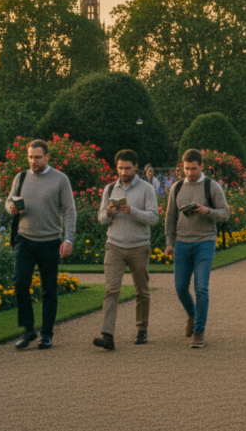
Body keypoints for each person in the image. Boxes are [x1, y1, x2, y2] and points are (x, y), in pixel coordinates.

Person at [5, 139, 77, 350]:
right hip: (24, 239)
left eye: (37, 157)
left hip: (50, 241)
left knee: (48, 290)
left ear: (47, 157)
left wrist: (68, 239)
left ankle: (47, 334)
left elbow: (69, 211)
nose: (33, 161)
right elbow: (9, 200)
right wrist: (11, 207)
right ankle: (28, 330)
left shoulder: (60, 179)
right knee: (20, 284)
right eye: (30, 157)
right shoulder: (21, 177)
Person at [93, 150, 159, 351]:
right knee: (111, 290)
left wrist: (132, 211)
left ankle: (141, 329)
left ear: (136, 167)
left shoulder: (146, 189)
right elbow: (101, 219)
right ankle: (107, 335)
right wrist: (109, 213)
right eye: (120, 168)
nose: (123, 171)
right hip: (114, 245)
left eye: (127, 168)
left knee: (141, 290)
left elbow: (153, 218)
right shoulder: (110, 188)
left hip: (139, 246)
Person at [164, 149, 230, 349]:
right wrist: (169, 242)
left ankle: (199, 331)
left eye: (193, 169)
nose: (190, 173)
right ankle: (192, 315)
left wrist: (207, 210)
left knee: (201, 288)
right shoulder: (176, 188)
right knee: (180, 288)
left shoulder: (212, 186)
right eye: (186, 169)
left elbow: (225, 213)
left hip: (205, 241)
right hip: (182, 242)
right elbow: (170, 217)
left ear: (201, 166)